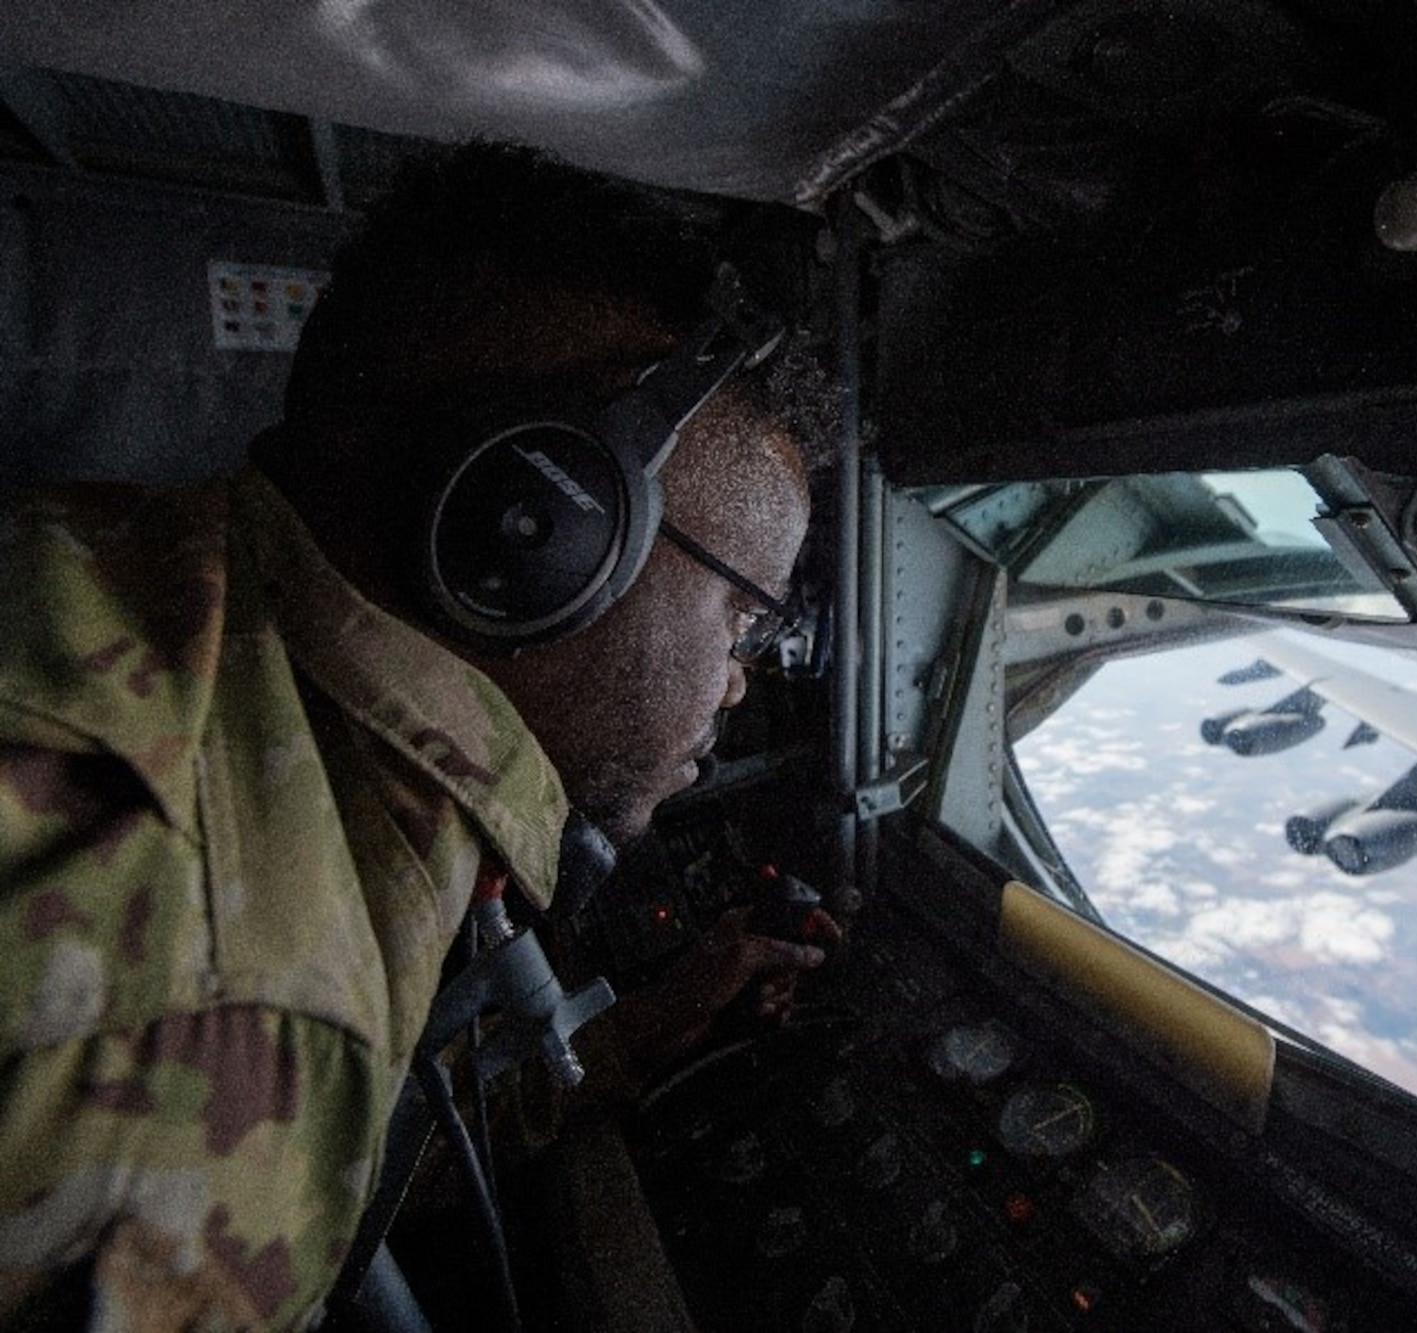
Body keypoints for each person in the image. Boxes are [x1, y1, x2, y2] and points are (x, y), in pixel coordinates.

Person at [0, 142, 833, 1328]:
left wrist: (622, 1047)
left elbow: (301, 1158)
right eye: (742, 612)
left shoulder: (119, 572)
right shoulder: (213, 997)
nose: (739, 684)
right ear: (543, 528)